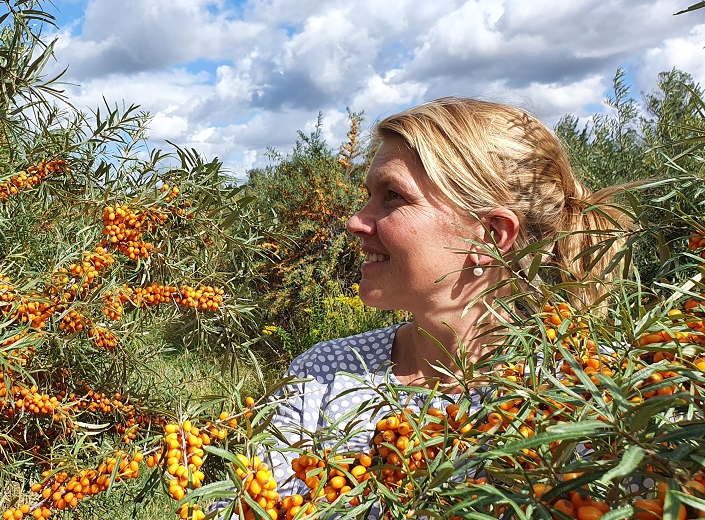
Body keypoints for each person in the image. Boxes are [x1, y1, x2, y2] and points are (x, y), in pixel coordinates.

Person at [266, 97, 629, 502]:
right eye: (369, 194)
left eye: (394, 196)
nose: (355, 221)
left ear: (489, 236)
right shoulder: (321, 376)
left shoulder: (598, 399)